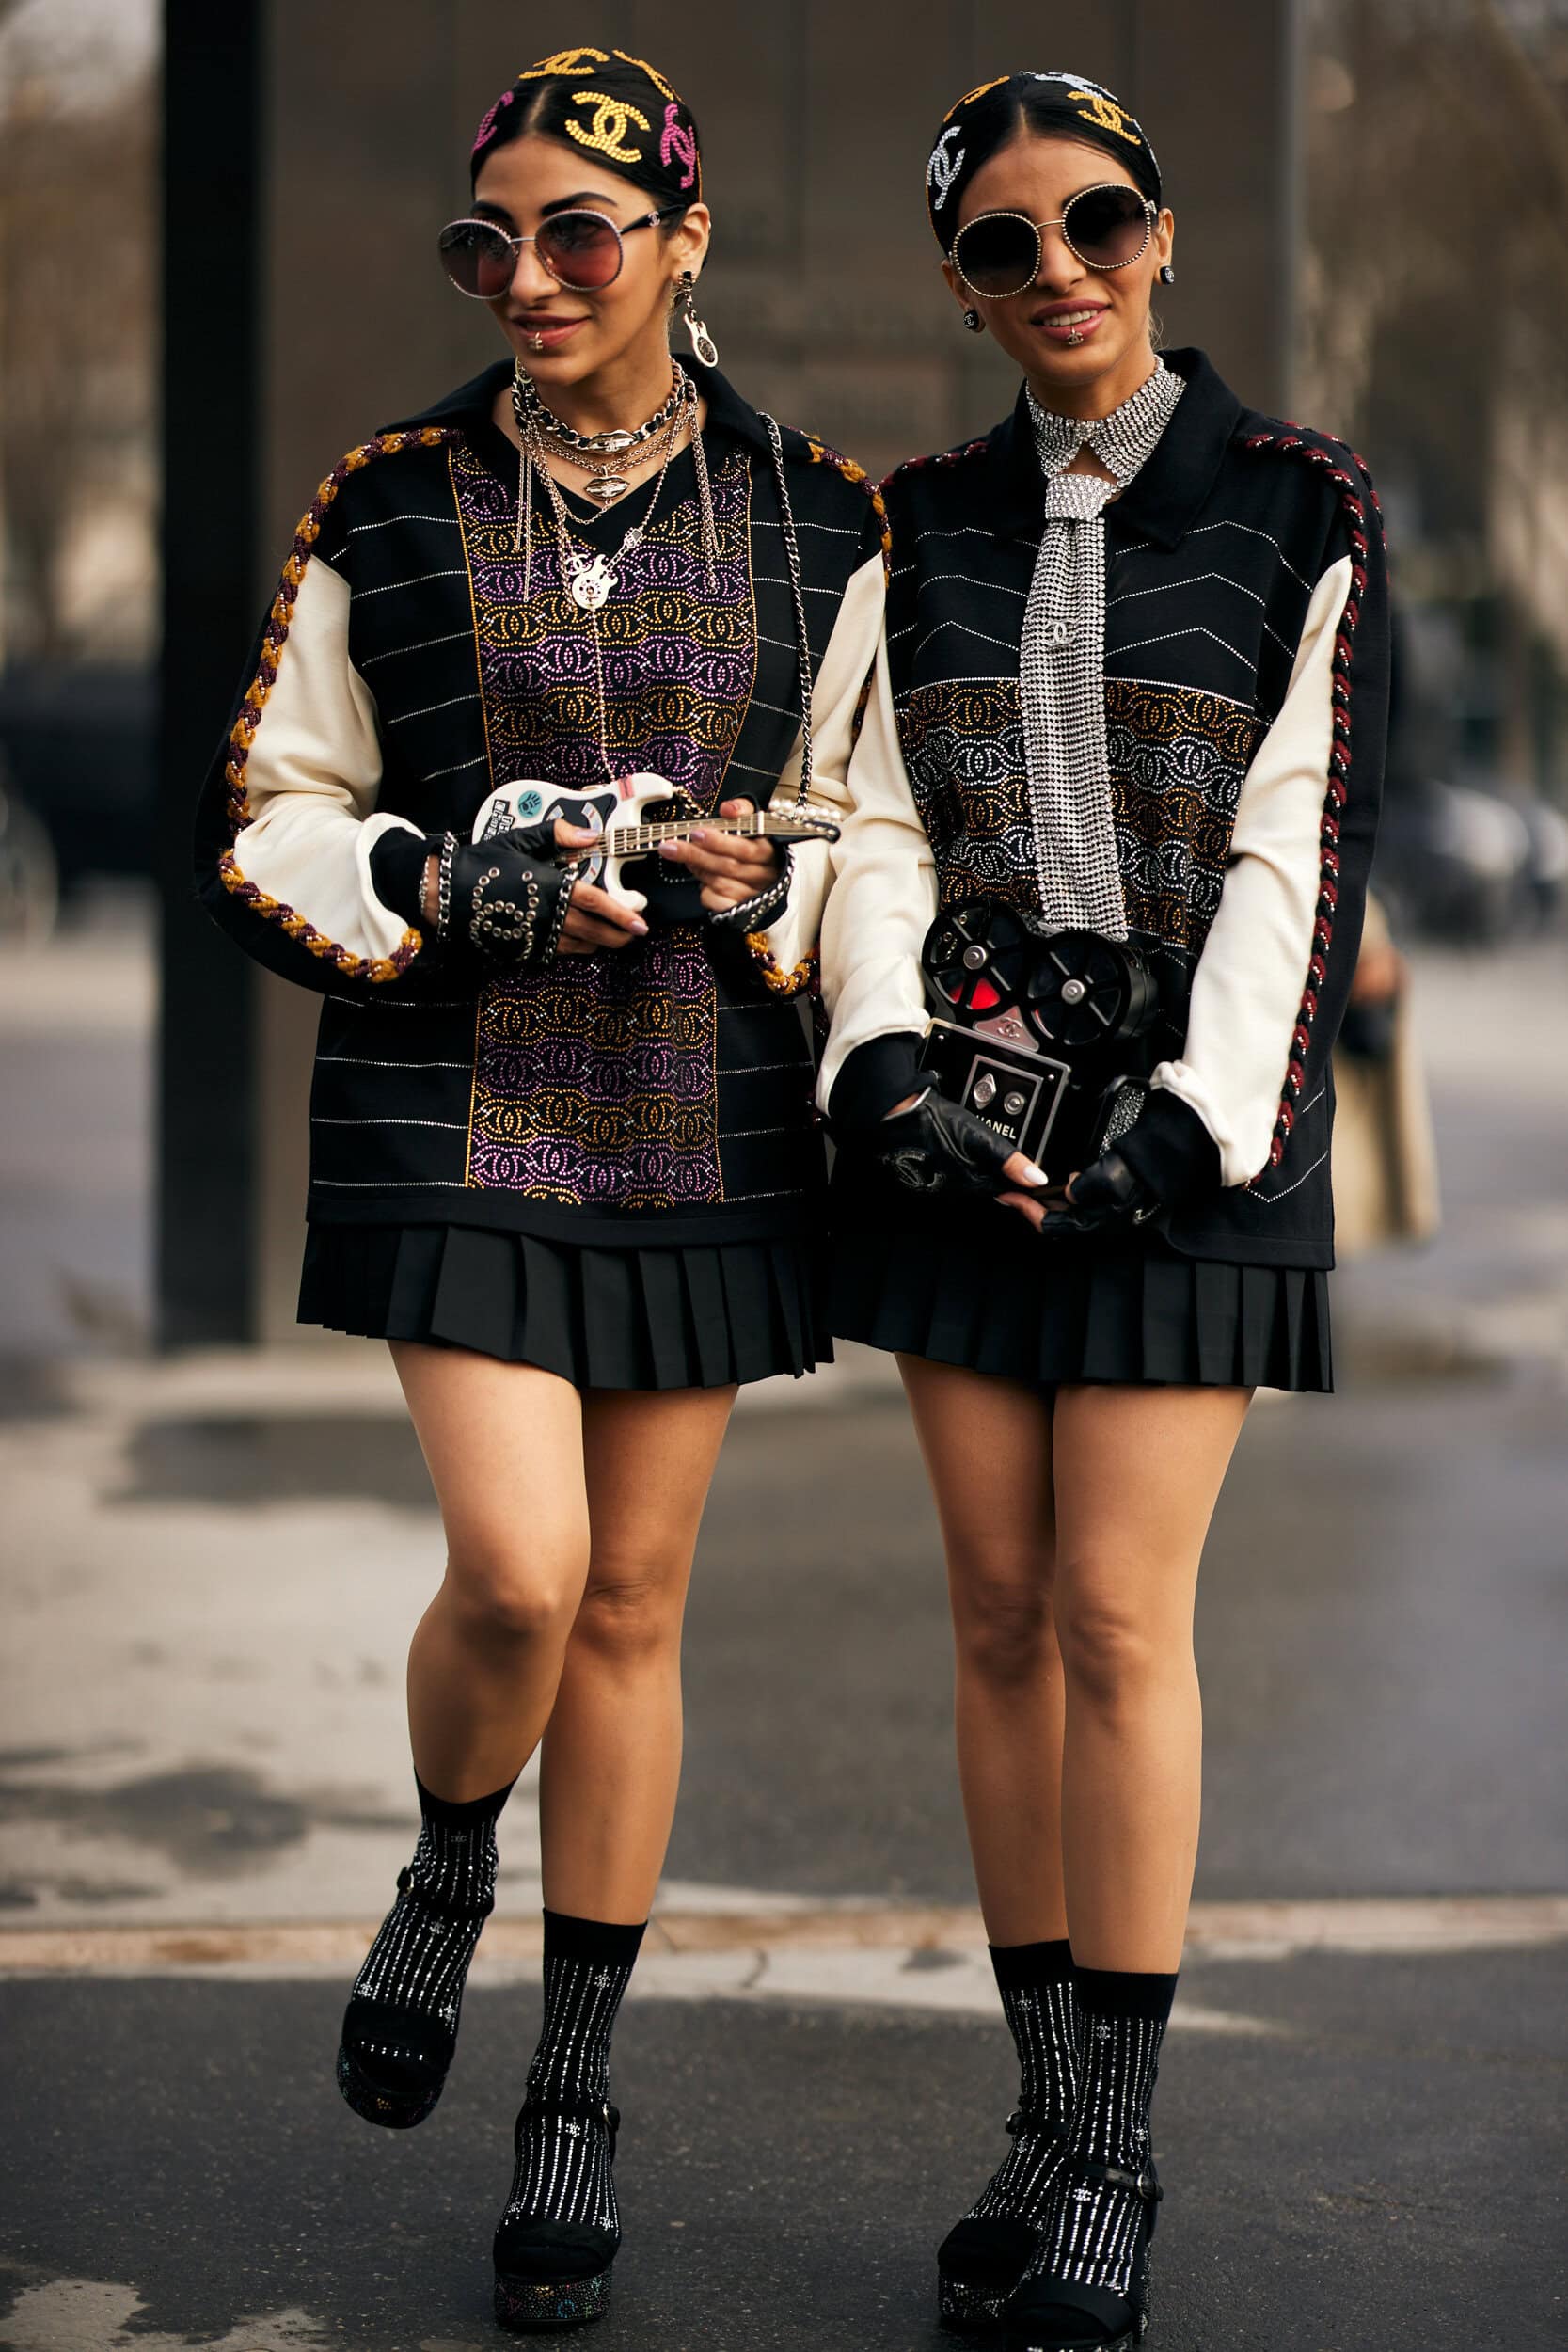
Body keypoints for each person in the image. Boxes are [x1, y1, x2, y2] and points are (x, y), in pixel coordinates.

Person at [193, 45, 885, 2336]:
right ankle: (444, 1859)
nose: (528, 277)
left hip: (707, 1114)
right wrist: (453, 869)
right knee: (519, 1568)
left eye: (578, 231)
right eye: (486, 239)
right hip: (446, 1097)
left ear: (686, 239)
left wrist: (744, 880)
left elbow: (863, 835)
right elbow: (273, 812)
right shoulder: (385, 499)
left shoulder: (822, 515)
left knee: (634, 1609)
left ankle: (573, 2090)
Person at [816, 70, 1388, 2351]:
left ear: (1159, 235)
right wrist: (879, 1061)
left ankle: (1122, 2163)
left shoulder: (1295, 500)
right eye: (1004, 243)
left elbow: (1297, 842)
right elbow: (865, 820)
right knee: (991, 1615)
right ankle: (1044, 2116)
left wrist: (1196, 1120)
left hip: (1194, 1147)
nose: (1058, 266)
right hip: (965, 1135)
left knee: (1119, 1617)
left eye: (1096, 221)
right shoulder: (917, 518)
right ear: (961, 287)